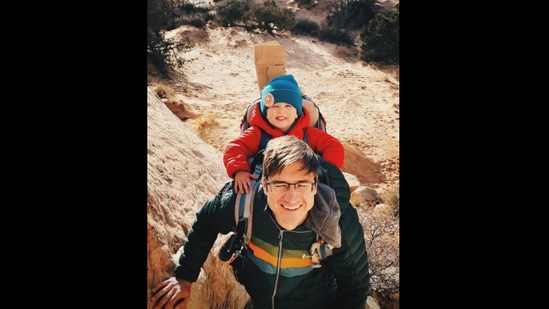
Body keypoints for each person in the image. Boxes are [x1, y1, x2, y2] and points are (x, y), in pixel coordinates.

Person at [151, 135, 370, 309]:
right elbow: (207, 220)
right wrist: (184, 278)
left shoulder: (337, 220)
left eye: (302, 184)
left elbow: (354, 287)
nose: (292, 198)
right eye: (281, 184)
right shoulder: (242, 201)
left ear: (315, 186)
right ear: (265, 185)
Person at [223, 74, 345, 194]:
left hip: (301, 187)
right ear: (266, 112)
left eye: (288, 106)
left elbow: (333, 146)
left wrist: (324, 174)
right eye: (275, 106)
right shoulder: (257, 134)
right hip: (267, 188)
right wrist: (240, 170)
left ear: (297, 113)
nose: (281, 111)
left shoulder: (307, 135)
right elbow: (234, 148)